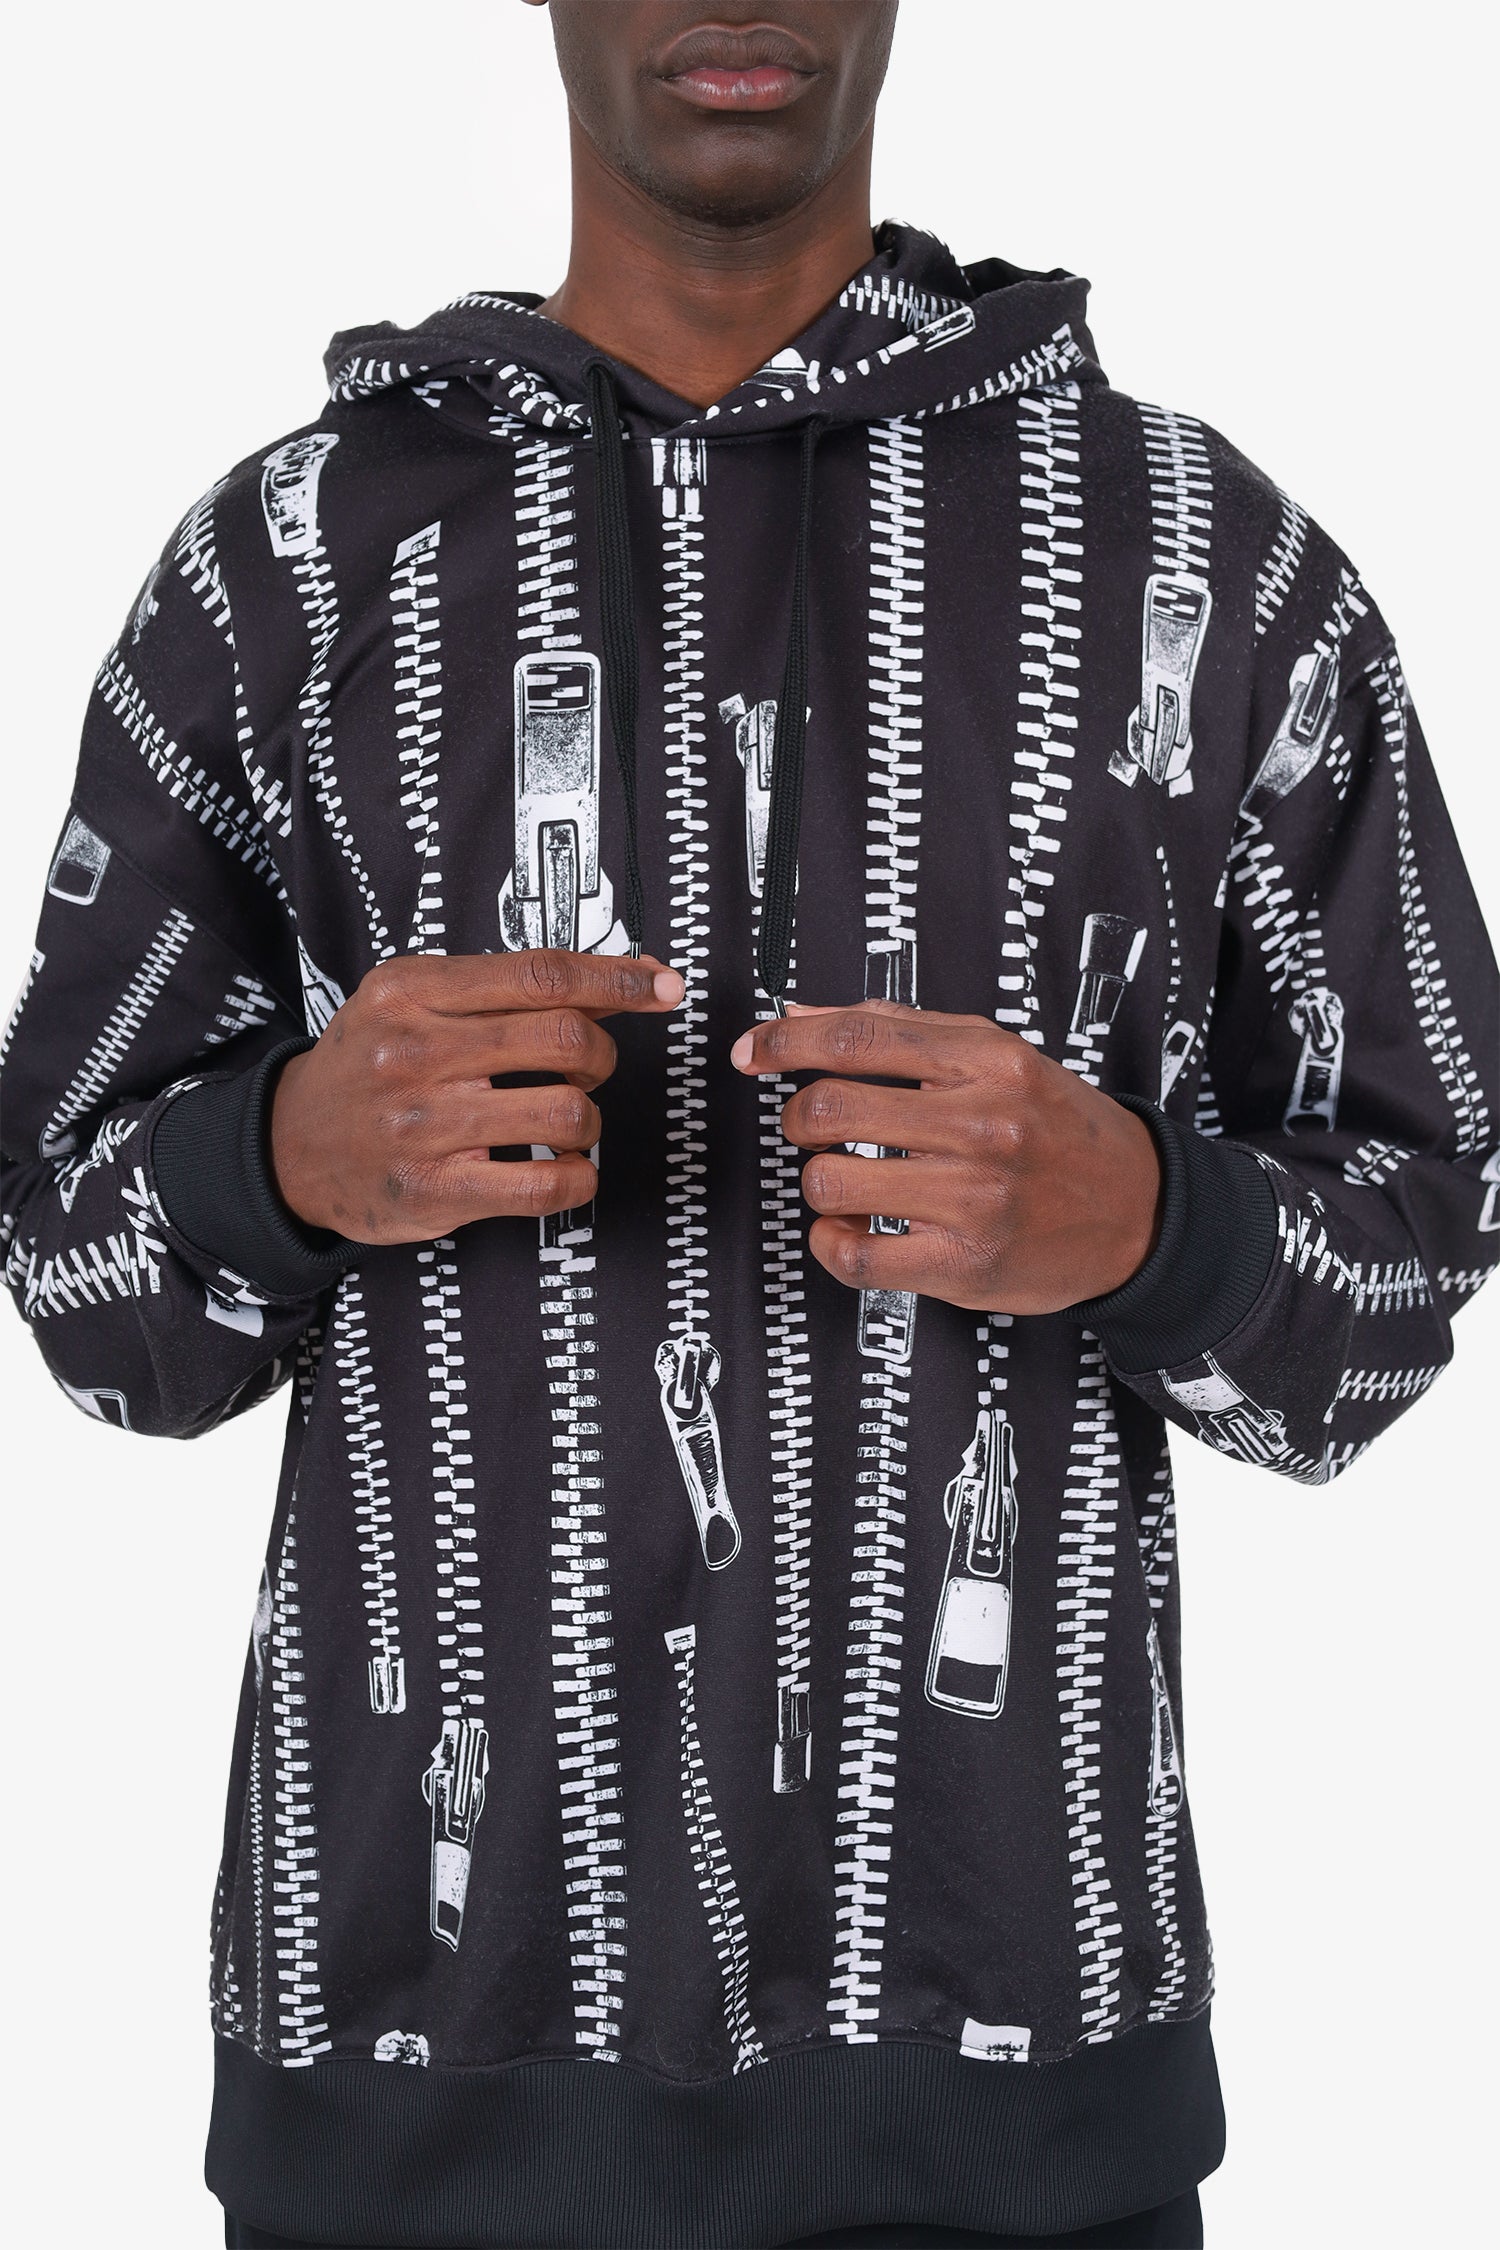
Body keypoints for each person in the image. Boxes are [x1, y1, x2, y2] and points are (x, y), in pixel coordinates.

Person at [2, 2, 1494, 2244]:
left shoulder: (1199, 552)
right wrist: (282, 1157)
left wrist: (1149, 1220)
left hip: (1020, 2105)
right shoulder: (293, 560)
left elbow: (1413, 1245)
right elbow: (82, 1288)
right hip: (411, 2088)